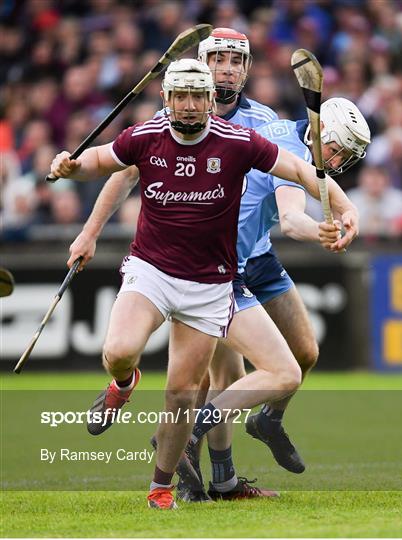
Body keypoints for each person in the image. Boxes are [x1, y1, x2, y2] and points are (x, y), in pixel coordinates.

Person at [51, 58, 360, 510]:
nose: (191, 105)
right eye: (182, 96)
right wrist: (70, 167)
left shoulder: (239, 141)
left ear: (211, 100)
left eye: (199, 96)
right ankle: (127, 385)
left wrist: (347, 210)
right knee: (120, 352)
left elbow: (301, 173)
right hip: (154, 270)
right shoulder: (146, 135)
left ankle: (167, 485)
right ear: (167, 98)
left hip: (210, 283)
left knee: (189, 390)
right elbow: (101, 162)